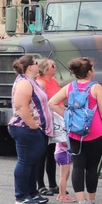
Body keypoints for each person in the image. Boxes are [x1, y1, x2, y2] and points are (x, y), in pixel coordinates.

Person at [48, 57, 102, 204]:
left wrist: (66, 115)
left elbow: (51, 102)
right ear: (90, 72)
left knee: (78, 166)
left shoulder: (70, 87)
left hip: (74, 133)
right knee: (92, 167)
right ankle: (91, 200)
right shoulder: (96, 88)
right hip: (94, 131)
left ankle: (81, 201)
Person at [8, 55, 53, 204]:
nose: (38, 64)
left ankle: (32, 192)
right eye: (35, 63)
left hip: (34, 128)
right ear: (30, 67)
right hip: (24, 127)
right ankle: (21, 195)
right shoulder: (24, 83)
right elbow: (21, 106)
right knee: (26, 161)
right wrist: (32, 124)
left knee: (33, 162)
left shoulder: (31, 81)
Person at [36, 58, 61, 196]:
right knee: (42, 153)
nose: (55, 67)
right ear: (45, 69)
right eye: (53, 65)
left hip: (55, 120)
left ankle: (52, 183)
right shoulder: (41, 83)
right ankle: (40, 184)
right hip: (45, 120)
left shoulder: (54, 81)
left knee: (51, 153)